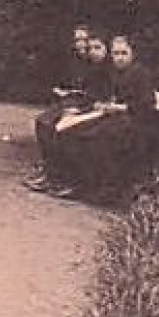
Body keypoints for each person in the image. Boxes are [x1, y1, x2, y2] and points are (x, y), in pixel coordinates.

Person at [52, 36, 159, 203]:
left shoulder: (140, 73)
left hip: (136, 122)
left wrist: (118, 107)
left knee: (98, 137)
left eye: (124, 53)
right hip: (117, 117)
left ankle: (106, 188)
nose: (119, 57)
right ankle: (84, 183)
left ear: (133, 54)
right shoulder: (116, 73)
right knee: (79, 130)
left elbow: (146, 106)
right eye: (115, 53)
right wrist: (104, 105)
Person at [27, 25, 101, 194]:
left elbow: (98, 92)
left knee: (59, 126)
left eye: (84, 40)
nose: (81, 44)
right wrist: (64, 91)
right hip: (73, 100)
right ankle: (50, 171)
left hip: (88, 105)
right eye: (77, 40)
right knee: (43, 121)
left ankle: (61, 176)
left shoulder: (98, 63)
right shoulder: (75, 62)